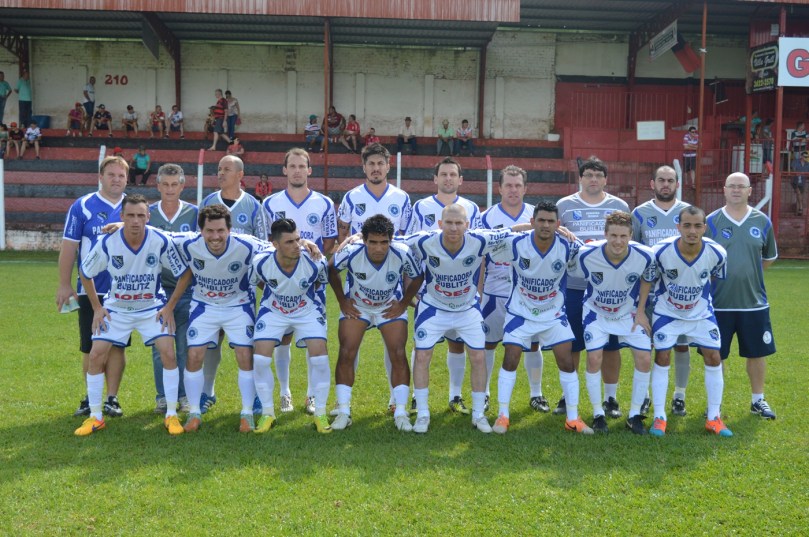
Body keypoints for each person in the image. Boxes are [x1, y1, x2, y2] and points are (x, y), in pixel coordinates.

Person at [73, 194, 188, 437]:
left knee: (168, 352)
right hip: (117, 309)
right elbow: (85, 272)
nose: (135, 220)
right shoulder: (108, 242)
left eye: (140, 215)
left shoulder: (160, 240)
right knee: (95, 355)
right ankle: (95, 417)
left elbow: (184, 273)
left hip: (151, 308)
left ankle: (171, 414)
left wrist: (169, 307)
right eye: (130, 215)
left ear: (148, 217)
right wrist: (97, 307)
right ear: (122, 217)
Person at [398, 204, 510, 434]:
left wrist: (552, 229)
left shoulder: (479, 240)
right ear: (440, 224)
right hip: (433, 309)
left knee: (478, 357)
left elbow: (513, 231)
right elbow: (393, 240)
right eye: (448, 222)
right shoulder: (424, 240)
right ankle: (422, 414)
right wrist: (355, 238)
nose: (453, 227)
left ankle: (478, 414)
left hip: (467, 309)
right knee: (422, 356)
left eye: (459, 223)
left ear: (467, 225)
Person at [490, 201, 592, 435]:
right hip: (520, 311)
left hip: (553, 313)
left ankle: (573, 418)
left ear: (558, 224)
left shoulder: (566, 246)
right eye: (541, 220)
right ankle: (503, 415)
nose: (546, 225)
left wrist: (573, 237)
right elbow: (488, 240)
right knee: (511, 358)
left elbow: (589, 254)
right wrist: (517, 227)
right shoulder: (515, 243)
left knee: (567, 361)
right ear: (533, 221)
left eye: (551, 221)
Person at [171, 205, 267, 433]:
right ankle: (194, 412)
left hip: (238, 306)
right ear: (201, 231)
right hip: (205, 306)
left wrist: (305, 244)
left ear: (230, 229)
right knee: (194, 355)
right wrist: (123, 225)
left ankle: (246, 413)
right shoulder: (187, 242)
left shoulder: (247, 244)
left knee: (244, 355)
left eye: (221, 231)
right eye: (210, 231)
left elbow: (278, 247)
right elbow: (155, 234)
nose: (215, 237)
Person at [642, 206, 732, 437]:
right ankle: (659, 417)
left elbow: (712, 279)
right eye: (687, 225)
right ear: (678, 227)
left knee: (714, 357)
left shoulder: (718, 252)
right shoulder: (660, 251)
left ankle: (714, 418)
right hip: (667, 313)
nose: (692, 230)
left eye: (697, 226)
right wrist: (643, 310)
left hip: (701, 314)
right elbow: (649, 280)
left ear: (704, 227)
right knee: (662, 356)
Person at [329, 214, 423, 431]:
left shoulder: (402, 253)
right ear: (364, 240)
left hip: (389, 306)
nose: (378, 248)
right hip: (358, 306)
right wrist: (342, 300)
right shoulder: (352, 253)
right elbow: (331, 268)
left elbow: (417, 276)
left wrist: (403, 303)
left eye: (384, 242)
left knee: (398, 353)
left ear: (391, 240)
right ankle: (343, 411)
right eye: (373, 242)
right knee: (346, 352)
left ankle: (400, 412)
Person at [337, 142, 412, 411]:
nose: (376, 168)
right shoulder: (351, 197)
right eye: (371, 164)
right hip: (357, 282)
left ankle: (397, 399)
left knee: (394, 344)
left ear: (388, 166)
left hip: (390, 283)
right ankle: (343, 401)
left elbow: (405, 245)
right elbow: (342, 237)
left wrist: (404, 290)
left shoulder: (402, 198)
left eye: (381, 163)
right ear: (364, 167)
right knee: (350, 344)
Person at [556, 156, 631, 419]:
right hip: (575, 286)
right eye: (588, 175)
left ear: (606, 179)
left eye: (599, 175)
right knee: (573, 343)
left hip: (610, 289)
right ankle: (569, 395)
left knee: (611, 345)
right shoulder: (564, 205)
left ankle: (610, 398)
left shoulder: (618, 205)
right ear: (581, 178)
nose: (593, 179)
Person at [263, 148, 337, 414]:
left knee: (313, 339)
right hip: (281, 281)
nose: (296, 171)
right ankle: (285, 393)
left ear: (309, 170)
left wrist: (311, 254)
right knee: (282, 338)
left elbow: (329, 241)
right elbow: (266, 242)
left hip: (312, 283)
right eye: (291, 166)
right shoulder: (270, 204)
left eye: (301, 166)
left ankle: (311, 396)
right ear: (284, 170)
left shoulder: (324, 203)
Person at [407, 157, 482, 414]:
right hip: (429, 292)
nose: (448, 178)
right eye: (444, 174)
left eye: (453, 174)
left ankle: (455, 395)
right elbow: (410, 250)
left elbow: (478, 251)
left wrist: (477, 288)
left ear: (460, 180)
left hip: (461, 293)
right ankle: (418, 399)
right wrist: (413, 291)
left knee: (458, 343)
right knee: (421, 345)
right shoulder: (421, 207)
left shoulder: (472, 208)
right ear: (435, 179)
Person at [56, 155, 129, 418]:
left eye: (121, 175)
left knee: (117, 346)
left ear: (127, 179)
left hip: (124, 290)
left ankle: (112, 398)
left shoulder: (134, 207)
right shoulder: (82, 206)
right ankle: (90, 397)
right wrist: (64, 285)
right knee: (90, 345)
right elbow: (68, 247)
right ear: (100, 177)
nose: (116, 180)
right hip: (91, 289)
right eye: (111, 175)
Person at [572, 211, 655, 435]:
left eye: (623, 236)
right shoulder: (586, 254)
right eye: (613, 235)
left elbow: (648, 278)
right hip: (596, 313)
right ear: (605, 234)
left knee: (645, 358)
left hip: (628, 314)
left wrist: (641, 312)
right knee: (594, 358)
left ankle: (635, 415)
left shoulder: (645, 255)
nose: (618, 241)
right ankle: (598, 414)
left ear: (631, 236)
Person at [198, 155, 269, 416]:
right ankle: (207, 391)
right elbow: (198, 241)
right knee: (211, 341)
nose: (220, 173)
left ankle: (255, 398)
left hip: (243, 289)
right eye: (219, 169)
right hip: (212, 287)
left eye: (226, 169)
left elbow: (263, 246)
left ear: (241, 174)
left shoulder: (254, 206)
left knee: (246, 345)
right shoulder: (207, 202)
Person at [706, 172, 778, 420]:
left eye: (741, 186)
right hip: (717, 304)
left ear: (749, 191)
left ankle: (758, 400)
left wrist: (749, 274)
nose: (736, 190)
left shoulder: (762, 221)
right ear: (724, 190)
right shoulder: (711, 221)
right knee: (716, 355)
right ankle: (716, 405)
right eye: (731, 186)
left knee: (756, 353)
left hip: (753, 302)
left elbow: (769, 257)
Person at [251, 219, 332, 433]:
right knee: (259, 359)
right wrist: (280, 294)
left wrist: (298, 298)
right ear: (275, 244)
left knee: (320, 358)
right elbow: (259, 281)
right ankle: (268, 413)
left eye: (298, 239)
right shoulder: (261, 262)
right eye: (289, 242)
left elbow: (319, 283)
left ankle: (320, 413)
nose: (297, 245)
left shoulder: (315, 261)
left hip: (306, 309)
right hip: (274, 309)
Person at [480, 165, 546, 413]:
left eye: (518, 185)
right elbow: (480, 258)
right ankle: (484, 393)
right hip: (494, 291)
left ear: (526, 188)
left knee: (532, 344)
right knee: (488, 343)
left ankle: (536, 394)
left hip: (527, 293)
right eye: (508, 185)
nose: (513, 190)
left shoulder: (535, 215)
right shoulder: (487, 217)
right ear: (499, 188)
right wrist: (478, 293)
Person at [631, 165, 692, 416]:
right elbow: (632, 250)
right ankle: (644, 396)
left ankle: (679, 395)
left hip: (680, 292)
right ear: (652, 184)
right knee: (645, 344)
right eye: (661, 180)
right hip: (647, 291)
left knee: (680, 344)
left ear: (677, 184)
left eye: (670, 180)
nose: (665, 184)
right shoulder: (639, 213)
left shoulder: (687, 212)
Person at [148, 164, 199, 414]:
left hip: (187, 290)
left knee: (184, 345)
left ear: (182, 186)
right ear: (158, 186)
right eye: (165, 184)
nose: (169, 189)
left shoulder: (194, 214)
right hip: (156, 292)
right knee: (161, 348)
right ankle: (162, 396)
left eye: (174, 184)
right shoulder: (146, 213)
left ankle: (184, 396)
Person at [793, 151, 809, 215]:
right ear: (801, 156)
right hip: (795, 181)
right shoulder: (796, 161)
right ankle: (801, 208)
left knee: (799, 195)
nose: (806, 158)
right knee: (799, 194)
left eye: (807, 157)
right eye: (805, 156)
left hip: (802, 181)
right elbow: (793, 170)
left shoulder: (807, 164)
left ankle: (798, 210)